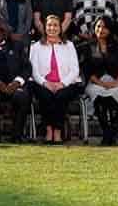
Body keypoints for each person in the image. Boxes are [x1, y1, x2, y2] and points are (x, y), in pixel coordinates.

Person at [29, 14, 82, 144]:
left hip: (66, 84)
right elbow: (33, 70)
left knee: (60, 96)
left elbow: (75, 70)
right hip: (42, 83)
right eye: (49, 25)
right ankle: (48, 130)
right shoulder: (36, 47)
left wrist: (62, 84)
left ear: (60, 28)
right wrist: (44, 83)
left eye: (55, 25)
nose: (52, 28)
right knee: (46, 96)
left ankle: (57, 130)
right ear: (44, 27)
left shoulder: (69, 45)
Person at [84, 15, 118, 146]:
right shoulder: (87, 47)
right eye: (98, 26)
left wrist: (115, 83)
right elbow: (88, 71)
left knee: (113, 96)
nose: (101, 29)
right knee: (99, 96)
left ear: (110, 29)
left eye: (104, 27)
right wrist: (102, 83)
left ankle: (114, 134)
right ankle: (107, 134)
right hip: (96, 82)